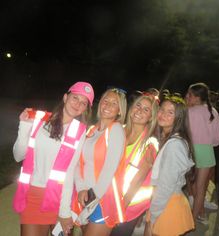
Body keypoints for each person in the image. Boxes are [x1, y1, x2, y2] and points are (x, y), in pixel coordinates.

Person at [12, 81, 94, 236]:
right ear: (65, 97)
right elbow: (18, 156)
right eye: (75, 98)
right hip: (33, 195)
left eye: (83, 103)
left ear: (85, 109)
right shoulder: (40, 119)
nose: (78, 104)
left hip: (58, 197)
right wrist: (23, 125)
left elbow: (69, 172)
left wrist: (64, 212)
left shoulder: (79, 131)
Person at [74, 88, 127, 236]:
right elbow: (78, 162)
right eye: (106, 101)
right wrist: (81, 188)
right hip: (85, 196)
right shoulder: (91, 130)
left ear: (119, 111)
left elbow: (109, 170)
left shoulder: (116, 130)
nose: (108, 105)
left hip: (102, 200)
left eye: (114, 103)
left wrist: (91, 199)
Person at [145, 94, 195, 236]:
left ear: (179, 117)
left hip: (167, 205)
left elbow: (166, 185)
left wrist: (153, 215)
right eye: (162, 109)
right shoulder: (168, 138)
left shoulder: (175, 145)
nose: (163, 114)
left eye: (170, 112)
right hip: (164, 202)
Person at [110, 92, 159, 236]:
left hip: (128, 206)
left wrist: (120, 209)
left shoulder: (150, 144)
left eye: (146, 110)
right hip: (106, 198)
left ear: (151, 117)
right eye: (138, 105)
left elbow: (136, 182)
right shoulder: (117, 130)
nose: (140, 111)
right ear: (131, 108)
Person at [185, 82, 219, 224]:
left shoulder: (189, 111)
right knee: (201, 188)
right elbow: (217, 138)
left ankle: (199, 212)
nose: (187, 97)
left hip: (191, 149)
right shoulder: (213, 112)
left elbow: (184, 132)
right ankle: (194, 218)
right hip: (206, 151)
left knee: (192, 183)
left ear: (195, 97)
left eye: (189, 95)